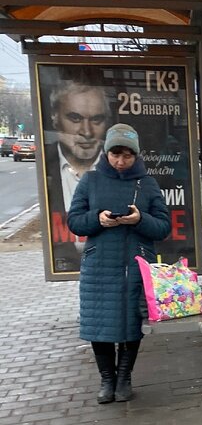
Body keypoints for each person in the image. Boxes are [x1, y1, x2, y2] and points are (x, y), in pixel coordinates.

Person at [67, 124, 171, 403]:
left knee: (130, 325)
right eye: (115, 154)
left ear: (135, 156)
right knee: (98, 325)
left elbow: (163, 227)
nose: (120, 161)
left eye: (127, 156)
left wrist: (139, 220)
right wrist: (97, 220)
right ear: (107, 152)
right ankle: (107, 381)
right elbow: (74, 221)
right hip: (99, 265)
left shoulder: (147, 184)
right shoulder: (90, 180)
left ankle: (124, 379)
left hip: (135, 267)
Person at [44, 79, 112, 272]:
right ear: (55, 117)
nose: (87, 132)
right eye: (75, 118)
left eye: (96, 119)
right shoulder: (45, 166)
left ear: (107, 122)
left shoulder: (121, 169)